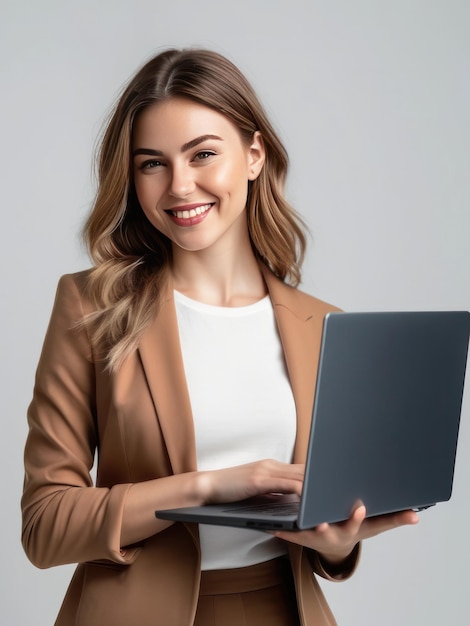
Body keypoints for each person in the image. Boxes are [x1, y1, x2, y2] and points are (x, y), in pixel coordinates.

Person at [21, 48, 418, 626]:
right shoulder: (92, 307)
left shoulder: (324, 325)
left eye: (203, 154)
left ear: (254, 155)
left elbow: (325, 525)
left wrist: (336, 545)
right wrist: (211, 488)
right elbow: (45, 526)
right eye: (152, 164)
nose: (180, 186)